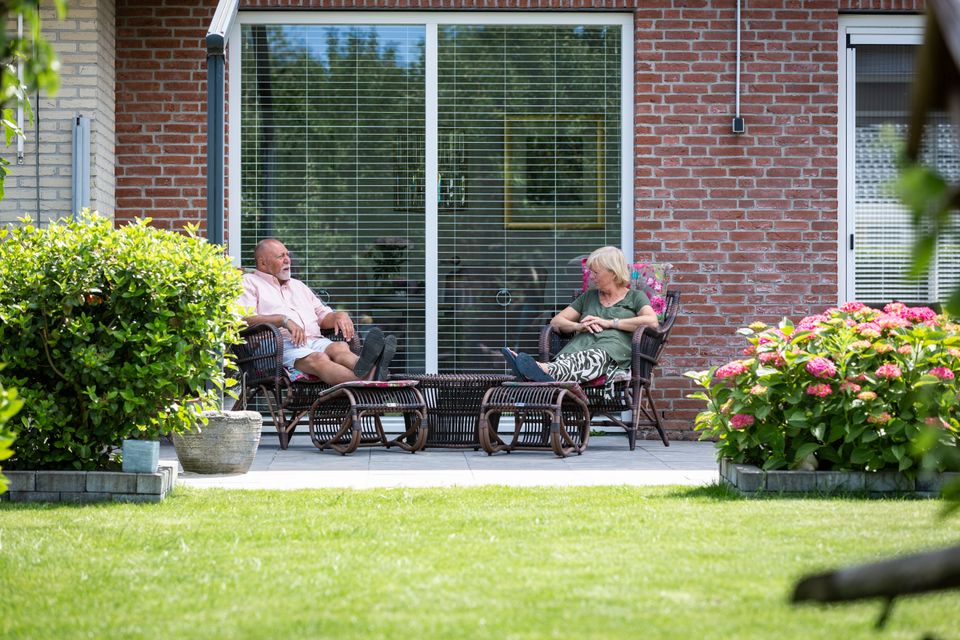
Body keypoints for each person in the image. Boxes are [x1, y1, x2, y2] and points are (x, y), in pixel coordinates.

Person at [238, 238, 396, 384]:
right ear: (263, 263)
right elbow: (243, 320)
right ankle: (371, 377)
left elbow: (323, 315)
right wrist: (282, 320)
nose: (288, 260)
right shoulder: (249, 283)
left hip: (312, 341)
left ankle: (372, 369)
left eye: (287, 255)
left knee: (339, 347)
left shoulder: (298, 285)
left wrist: (339, 315)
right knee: (318, 358)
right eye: (281, 256)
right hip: (275, 348)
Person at [502, 246, 659, 384]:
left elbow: (652, 322)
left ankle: (538, 370)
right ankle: (540, 373)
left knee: (594, 358)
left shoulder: (635, 296)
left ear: (613, 273)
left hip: (609, 353)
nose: (590, 277)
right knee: (569, 360)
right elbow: (557, 322)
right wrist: (579, 326)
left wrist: (609, 323)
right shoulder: (589, 297)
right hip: (577, 350)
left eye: (595, 272)